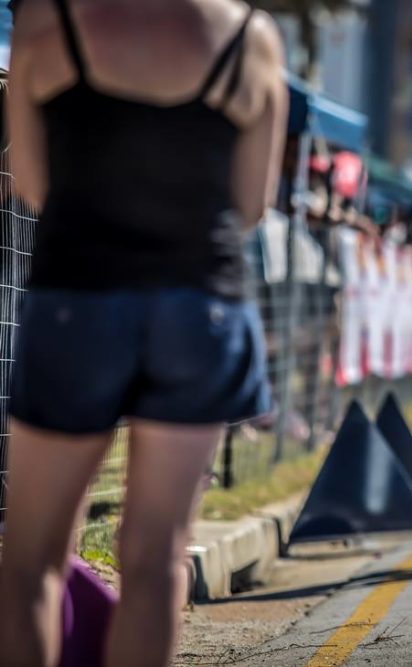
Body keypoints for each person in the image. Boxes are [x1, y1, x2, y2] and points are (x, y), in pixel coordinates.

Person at [0, 2, 286, 666]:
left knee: (33, 559)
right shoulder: (251, 36)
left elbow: (33, 185)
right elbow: (251, 205)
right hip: (202, 304)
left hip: (80, 295)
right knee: (157, 557)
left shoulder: (48, 21)